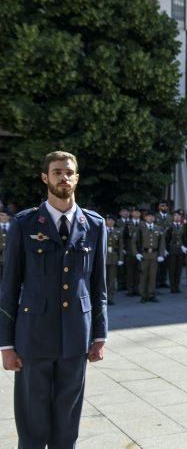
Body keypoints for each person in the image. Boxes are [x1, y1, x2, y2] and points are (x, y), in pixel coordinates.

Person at [0, 151, 108, 448]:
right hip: (33, 337)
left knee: (67, 425)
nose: (64, 177)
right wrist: (6, 344)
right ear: (45, 177)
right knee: (32, 424)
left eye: (69, 172)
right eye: (57, 172)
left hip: (76, 338)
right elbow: (9, 286)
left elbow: (98, 285)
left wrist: (100, 335)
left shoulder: (95, 225)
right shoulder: (24, 224)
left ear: (77, 178)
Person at [138, 211, 166, 303]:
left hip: (154, 255)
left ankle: (151, 294)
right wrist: (137, 253)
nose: (150, 218)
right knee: (143, 276)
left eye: (151, 217)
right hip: (144, 254)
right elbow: (135, 241)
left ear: (154, 218)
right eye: (148, 216)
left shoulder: (158, 228)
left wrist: (161, 254)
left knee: (153, 276)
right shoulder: (141, 228)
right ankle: (143, 295)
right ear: (145, 218)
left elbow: (162, 242)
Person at [105, 216, 125, 305]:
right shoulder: (101, 230)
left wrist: (121, 258)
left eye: (112, 220)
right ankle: (102, 298)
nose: (110, 222)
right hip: (104, 257)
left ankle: (110, 298)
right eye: (109, 220)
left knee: (112, 279)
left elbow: (121, 246)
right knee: (103, 279)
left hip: (113, 257)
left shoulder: (118, 231)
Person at [165, 211, 186, 293]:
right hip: (172, 249)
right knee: (172, 269)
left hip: (180, 250)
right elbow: (167, 239)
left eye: (179, 216)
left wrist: (184, 247)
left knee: (179, 269)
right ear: (173, 217)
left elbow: (184, 238)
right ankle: (172, 287)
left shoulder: (182, 226)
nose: (177, 217)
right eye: (175, 216)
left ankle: (177, 286)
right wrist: (166, 249)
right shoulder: (170, 227)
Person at [125, 208, 143, 296]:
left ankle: (138, 289)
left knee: (139, 271)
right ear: (132, 214)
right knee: (130, 271)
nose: (136, 214)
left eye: (138, 212)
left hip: (140, 251)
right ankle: (130, 290)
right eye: (134, 212)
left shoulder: (142, 224)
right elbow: (124, 237)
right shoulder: (128, 224)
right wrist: (124, 249)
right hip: (129, 251)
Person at [0, 210, 10, 279]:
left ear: (8, 217)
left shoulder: (14, 227)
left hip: (11, 257)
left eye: (2, 215)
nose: (0, 217)